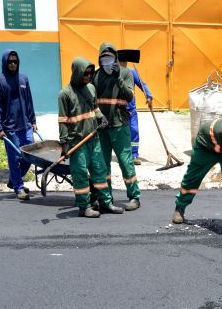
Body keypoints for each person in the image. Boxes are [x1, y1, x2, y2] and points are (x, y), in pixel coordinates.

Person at [57, 57, 110, 218]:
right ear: (78, 73)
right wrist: (64, 143)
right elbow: (63, 121)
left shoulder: (91, 89)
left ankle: (106, 203)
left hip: (93, 139)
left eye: (90, 73)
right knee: (80, 175)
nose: (88, 77)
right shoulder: (65, 95)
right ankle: (84, 207)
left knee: (100, 172)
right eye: (85, 73)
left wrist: (101, 117)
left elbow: (95, 108)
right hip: (78, 142)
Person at [93, 42, 138, 213]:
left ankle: (134, 197)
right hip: (102, 127)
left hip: (120, 125)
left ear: (115, 58)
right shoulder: (96, 77)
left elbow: (129, 97)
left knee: (125, 161)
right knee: (103, 165)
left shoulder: (126, 73)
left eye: (110, 56)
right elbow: (92, 101)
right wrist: (99, 117)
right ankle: (106, 198)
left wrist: (118, 77)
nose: (107, 60)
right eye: (104, 57)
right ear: (99, 58)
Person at [0, 50, 37, 200]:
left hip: (26, 125)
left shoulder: (23, 79)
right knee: (15, 159)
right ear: (5, 62)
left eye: (15, 61)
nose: (12, 64)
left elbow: (29, 100)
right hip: (10, 128)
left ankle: (13, 180)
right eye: (10, 61)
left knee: (31, 156)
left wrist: (33, 120)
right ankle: (18, 187)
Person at [120, 59, 153, 165]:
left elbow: (142, 84)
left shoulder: (131, 72)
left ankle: (134, 155)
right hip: (118, 109)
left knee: (134, 130)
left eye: (124, 61)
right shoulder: (113, 73)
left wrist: (149, 96)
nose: (122, 63)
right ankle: (123, 154)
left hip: (131, 108)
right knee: (120, 132)